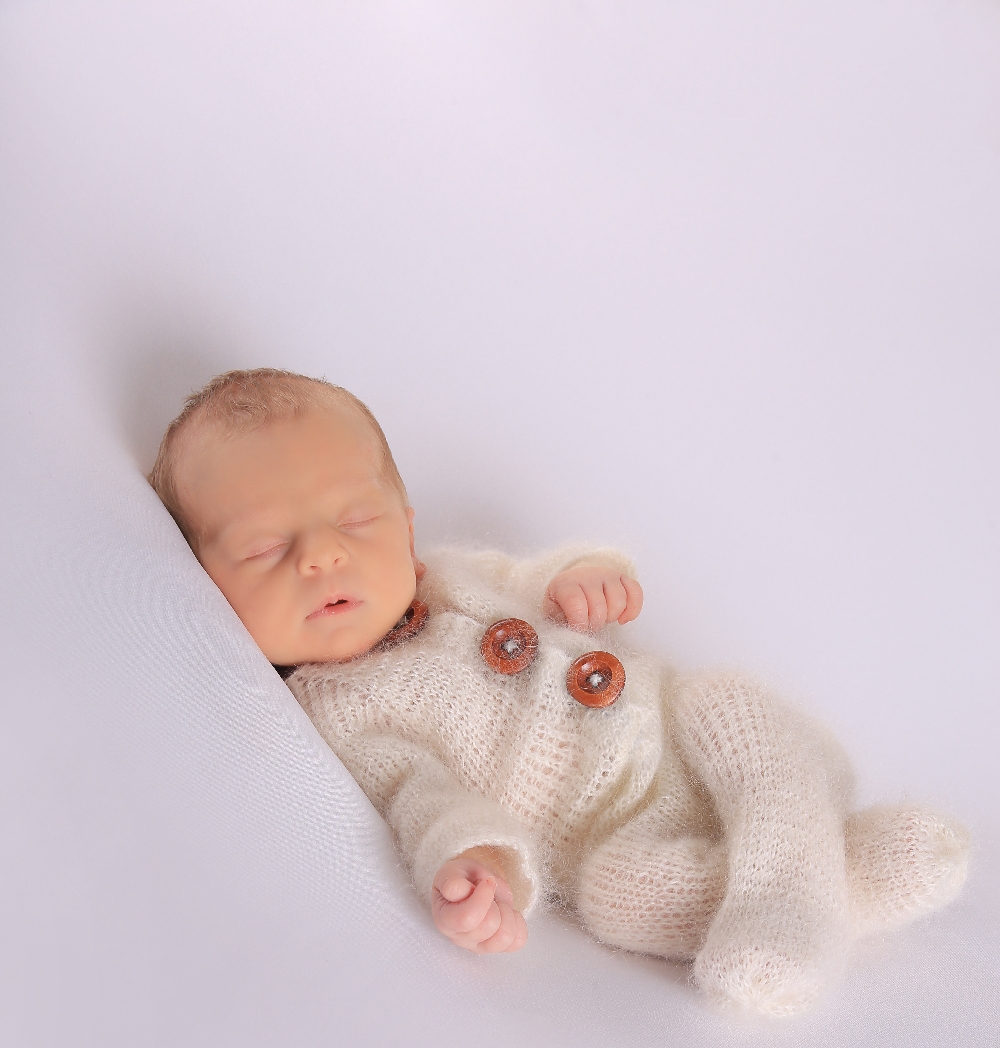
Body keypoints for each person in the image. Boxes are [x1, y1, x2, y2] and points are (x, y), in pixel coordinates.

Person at [149, 368, 969, 1014]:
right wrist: (474, 863)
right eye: (264, 549)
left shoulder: (452, 575)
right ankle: (830, 878)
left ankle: (794, 884)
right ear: (200, 583)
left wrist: (586, 578)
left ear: (405, 525)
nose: (322, 557)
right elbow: (416, 793)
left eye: (356, 522)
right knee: (614, 897)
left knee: (724, 703)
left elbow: (538, 577)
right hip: (616, 833)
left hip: (682, 737)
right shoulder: (340, 707)